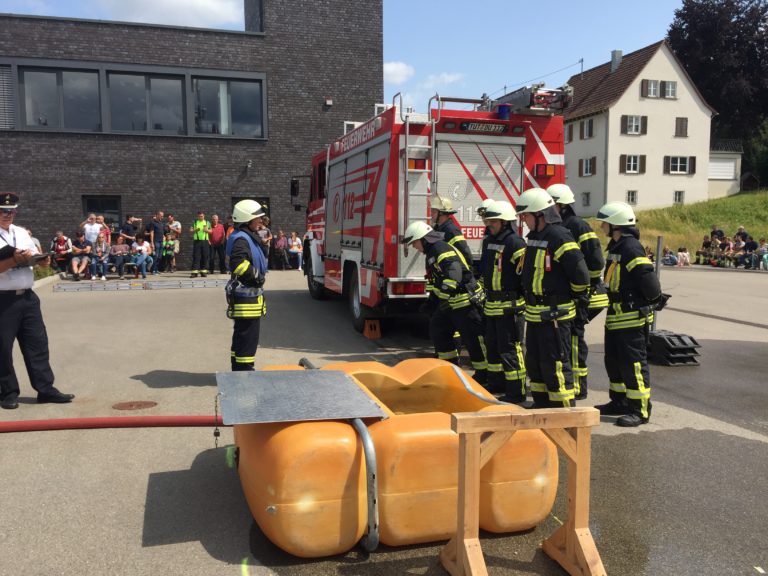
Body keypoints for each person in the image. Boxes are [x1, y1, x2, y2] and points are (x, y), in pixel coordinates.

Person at [515, 188, 590, 409]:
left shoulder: (559, 236)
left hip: (556, 313)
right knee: (536, 363)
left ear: (540, 215)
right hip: (536, 313)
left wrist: (572, 297)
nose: (524, 221)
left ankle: (563, 412)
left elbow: (580, 274)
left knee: (556, 362)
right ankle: (541, 405)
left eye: (526, 216)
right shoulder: (535, 237)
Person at [594, 201, 666, 427]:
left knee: (633, 363)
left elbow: (648, 279)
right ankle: (620, 402)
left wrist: (652, 301)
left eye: (605, 222)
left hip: (631, 318)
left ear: (616, 225)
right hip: (616, 316)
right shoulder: (616, 248)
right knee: (614, 362)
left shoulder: (631, 248)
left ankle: (640, 410)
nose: (602, 226)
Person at [0, 192, 75, 409]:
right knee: (3, 348)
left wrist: (42, 262)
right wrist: (14, 259)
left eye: (11, 210)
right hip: (3, 299)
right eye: (3, 211)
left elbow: (35, 258)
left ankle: (45, 389)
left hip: (28, 297)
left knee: (37, 344)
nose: (8, 215)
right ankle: (8, 392)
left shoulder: (22, 232)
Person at [401, 220, 488, 384]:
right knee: (438, 329)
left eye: (414, 243)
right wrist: (431, 302)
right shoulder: (432, 252)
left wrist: (444, 296)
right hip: (452, 303)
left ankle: (484, 375)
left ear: (423, 239)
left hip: (465, 302)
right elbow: (436, 282)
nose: (414, 247)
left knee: (473, 340)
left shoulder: (440, 248)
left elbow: (454, 273)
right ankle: (449, 369)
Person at [547, 184, 607, 400]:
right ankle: (568, 381)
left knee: (573, 340)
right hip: (570, 294)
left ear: (561, 205)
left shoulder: (578, 226)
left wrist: (583, 287)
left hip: (583, 295)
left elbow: (595, 261)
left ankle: (578, 386)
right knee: (565, 340)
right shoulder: (558, 226)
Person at [478, 200, 527, 403]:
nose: (489, 224)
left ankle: (516, 391)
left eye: (493, 221)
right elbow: (484, 269)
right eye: (488, 220)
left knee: (510, 349)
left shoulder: (515, 243)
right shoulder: (489, 241)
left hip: (509, 305)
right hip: (491, 304)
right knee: (493, 346)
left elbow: (525, 274)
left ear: (505, 222)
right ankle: (496, 382)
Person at [225, 199, 269, 371]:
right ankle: (244, 373)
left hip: (246, 298)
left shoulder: (243, 236)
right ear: (247, 219)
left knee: (242, 337)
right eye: (257, 218)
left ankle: (238, 369)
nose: (260, 221)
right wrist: (257, 277)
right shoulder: (242, 239)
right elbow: (238, 263)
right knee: (247, 339)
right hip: (246, 299)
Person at [430, 195, 473, 269]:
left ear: (441, 213)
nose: (431, 214)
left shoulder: (451, 230)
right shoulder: (437, 229)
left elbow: (465, 253)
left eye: (434, 211)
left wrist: (465, 273)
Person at [189, 211, 211, 277]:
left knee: (205, 256)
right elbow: (190, 231)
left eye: (202, 216)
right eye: (199, 216)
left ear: (204, 216)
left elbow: (211, 231)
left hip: (205, 241)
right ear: (197, 216)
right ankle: (194, 272)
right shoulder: (195, 222)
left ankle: (203, 272)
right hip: (197, 241)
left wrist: (207, 230)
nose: (200, 217)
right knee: (196, 256)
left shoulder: (207, 222)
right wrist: (195, 230)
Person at [146, 210, 166, 274]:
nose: (162, 217)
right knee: (156, 256)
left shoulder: (161, 223)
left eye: (163, 216)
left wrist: (164, 237)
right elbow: (152, 233)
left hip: (161, 241)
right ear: (157, 215)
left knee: (160, 257)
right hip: (156, 241)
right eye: (161, 216)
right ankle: (153, 270)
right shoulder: (153, 223)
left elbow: (161, 232)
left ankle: (156, 269)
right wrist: (152, 243)